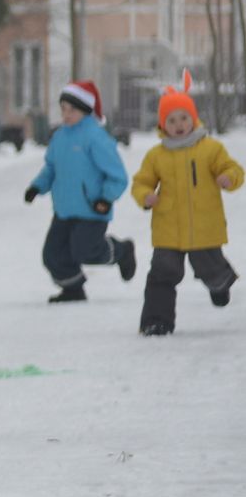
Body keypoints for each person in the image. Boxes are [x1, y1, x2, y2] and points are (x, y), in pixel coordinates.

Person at [131, 72, 242, 335]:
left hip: (205, 226)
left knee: (210, 268)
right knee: (162, 274)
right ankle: (156, 320)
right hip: (168, 228)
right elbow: (141, 181)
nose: (179, 125)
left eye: (184, 118)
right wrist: (145, 195)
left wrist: (228, 177)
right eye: (171, 120)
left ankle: (220, 284)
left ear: (193, 119)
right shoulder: (157, 155)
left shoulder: (210, 149)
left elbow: (233, 168)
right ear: (162, 124)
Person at [25, 79, 138, 302]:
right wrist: (37, 186)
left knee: (85, 250)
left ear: (86, 110)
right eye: (63, 109)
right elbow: (51, 168)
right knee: (52, 255)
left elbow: (117, 176)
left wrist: (106, 198)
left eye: (72, 110)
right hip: (64, 210)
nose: (66, 115)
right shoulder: (60, 137)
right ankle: (73, 288)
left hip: (92, 209)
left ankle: (122, 251)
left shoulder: (95, 137)